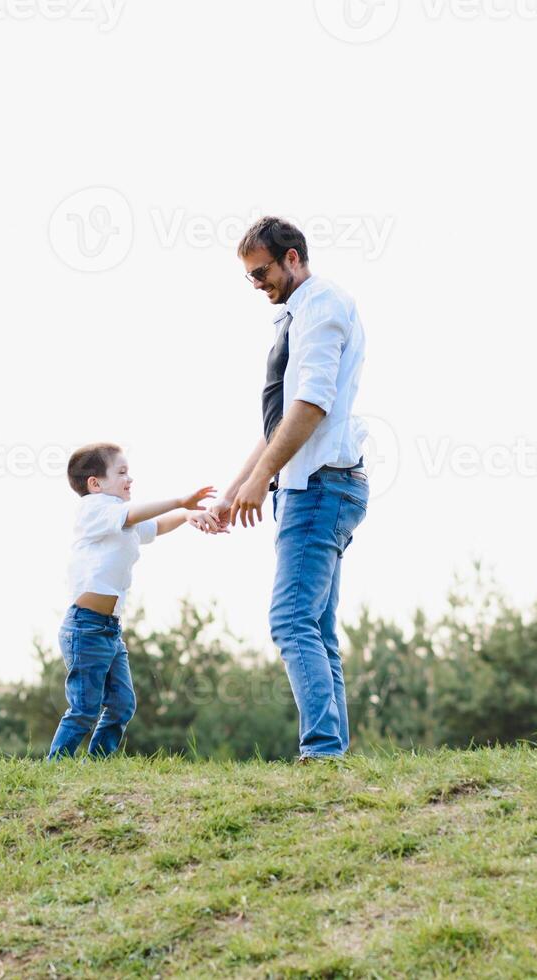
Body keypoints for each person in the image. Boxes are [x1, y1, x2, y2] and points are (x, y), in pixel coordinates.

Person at [200, 216, 370, 762]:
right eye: (249, 277)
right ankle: (331, 752)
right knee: (316, 628)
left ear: (292, 257)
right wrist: (236, 489)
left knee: (291, 619)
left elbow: (311, 406)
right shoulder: (299, 313)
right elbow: (279, 424)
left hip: (319, 486)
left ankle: (321, 752)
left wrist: (259, 479)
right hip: (317, 484)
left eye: (262, 272)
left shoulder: (320, 308)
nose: (257, 285)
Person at [46, 442, 214, 759]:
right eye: (122, 472)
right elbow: (134, 514)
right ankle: (55, 768)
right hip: (85, 628)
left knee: (123, 703)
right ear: (95, 484)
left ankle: (98, 762)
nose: (130, 479)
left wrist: (187, 514)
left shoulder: (121, 520)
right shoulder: (93, 509)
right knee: (84, 709)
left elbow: (154, 525)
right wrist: (180, 499)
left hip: (109, 630)